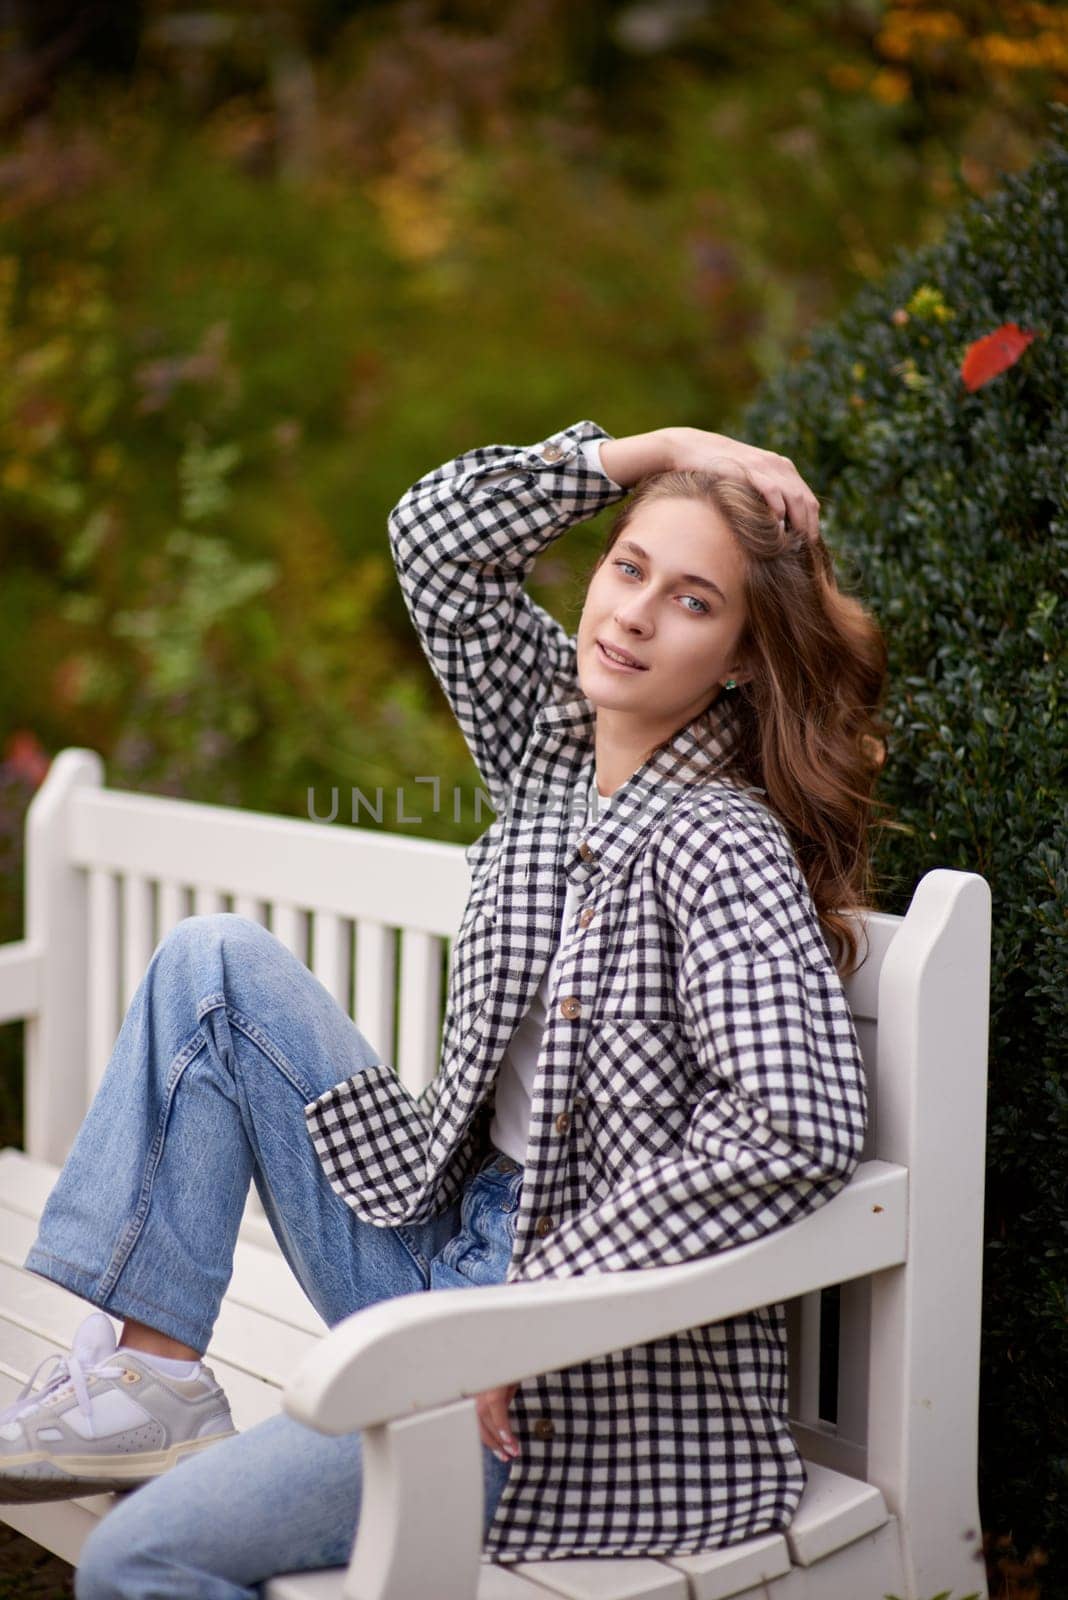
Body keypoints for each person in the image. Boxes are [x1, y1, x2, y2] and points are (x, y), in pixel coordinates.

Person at [2, 419, 887, 1596]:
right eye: (628, 567)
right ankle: (154, 1382)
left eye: (691, 601)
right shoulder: (553, 756)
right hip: (443, 1241)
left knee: (140, 1558)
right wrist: (655, 445)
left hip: (572, 1369)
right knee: (213, 967)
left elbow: (796, 1120)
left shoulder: (718, 843)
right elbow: (436, 536)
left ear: (738, 657)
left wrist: (537, 1302)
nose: (630, 614)